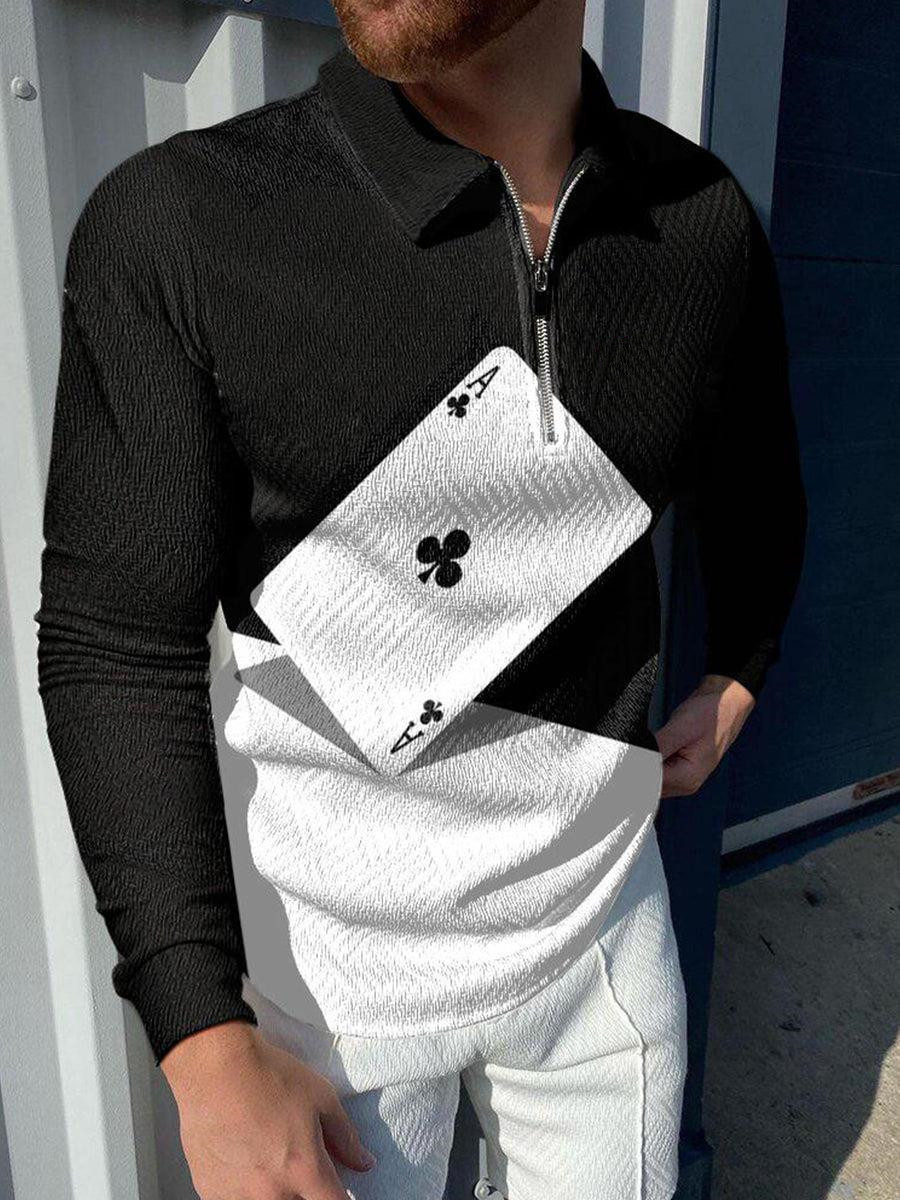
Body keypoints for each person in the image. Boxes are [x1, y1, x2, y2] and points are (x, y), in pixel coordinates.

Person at [33, 0, 807, 1197]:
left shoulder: (699, 225)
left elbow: (758, 485)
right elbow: (115, 641)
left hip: (603, 941)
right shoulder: (187, 224)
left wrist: (741, 663)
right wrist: (201, 1041)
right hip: (329, 991)